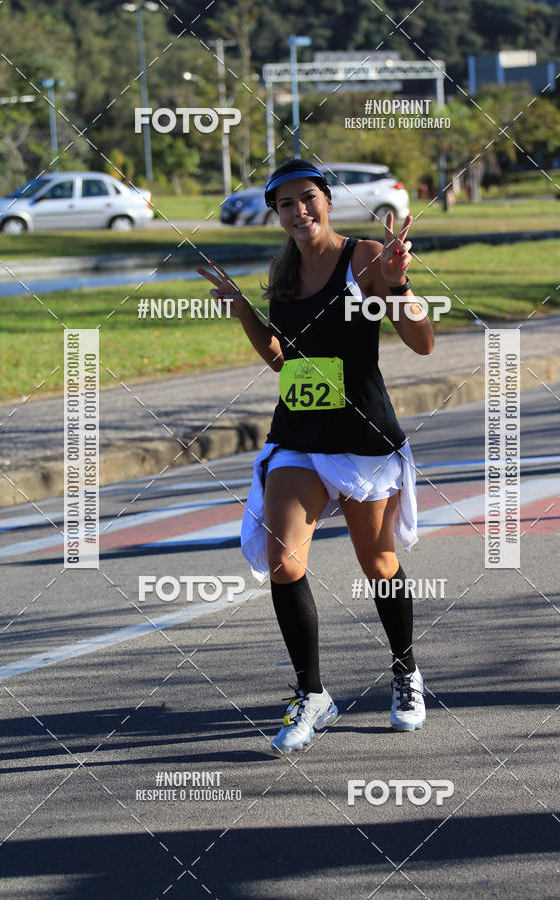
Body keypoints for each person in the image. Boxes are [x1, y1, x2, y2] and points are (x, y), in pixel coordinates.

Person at [197, 158, 435, 755]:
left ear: (327, 200)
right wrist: (243, 311)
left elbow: (423, 343)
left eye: (309, 199)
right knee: (284, 560)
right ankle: (312, 693)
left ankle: (406, 673)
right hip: (299, 435)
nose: (299, 212)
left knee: (378, 563)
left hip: (360, 437)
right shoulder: (283, 272)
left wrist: (401, 282)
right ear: (275, 213)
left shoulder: (364, 259)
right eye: (286, 204)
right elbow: (283, 361)